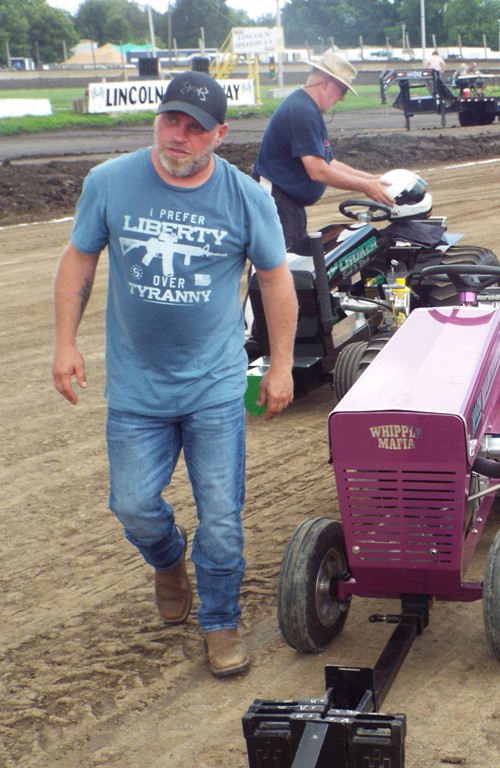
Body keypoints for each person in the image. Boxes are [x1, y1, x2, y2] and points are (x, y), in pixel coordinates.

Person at [51, 71, 299, 678]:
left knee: (221, 516)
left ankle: (220, 622)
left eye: (194, 128)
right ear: (157, 119)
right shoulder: (110, 182)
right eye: (170, 121)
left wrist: (282, 365)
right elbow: (80, 258)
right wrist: (65, 342)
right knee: (133, 505)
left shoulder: (247, 198)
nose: (178, 136)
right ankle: (167, 560)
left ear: (219, 134)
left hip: (213, 384)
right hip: (136, 386)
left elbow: (275, 280)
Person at [254, 49, 393, 249]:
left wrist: (371, 179)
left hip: (286, 202)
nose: (342, 98)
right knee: (280, 262)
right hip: (276, 201)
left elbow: (330, 163)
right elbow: (317, 170)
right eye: (343, 91)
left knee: (292, 260)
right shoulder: (302, 110)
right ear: (326, 82)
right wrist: (365, 186)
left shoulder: (306, 108)